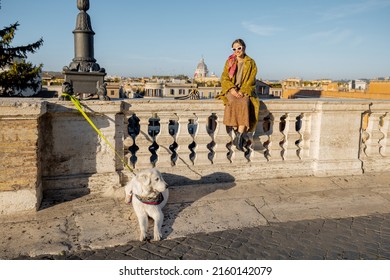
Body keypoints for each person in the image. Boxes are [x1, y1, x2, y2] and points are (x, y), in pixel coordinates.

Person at [217, 39, 260, 151]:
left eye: (239, 48)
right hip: (231, 89)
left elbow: (251, 79)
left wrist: (242, 91)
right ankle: (238, 135)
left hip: (245, 89)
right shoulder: (230, 61)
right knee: (231, 101)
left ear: (244, 48)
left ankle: (239, 136)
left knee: (245, 103)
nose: (237, 50)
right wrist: (231, 89)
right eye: (234, 49)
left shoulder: (251, 62)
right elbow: (224, 77)